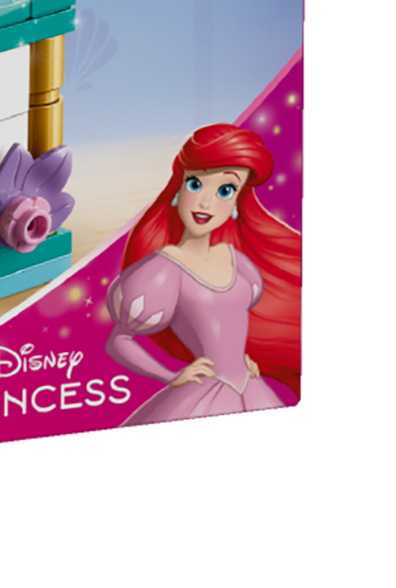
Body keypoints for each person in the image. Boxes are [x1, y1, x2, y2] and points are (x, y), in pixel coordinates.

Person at [105, 122, 301, 423]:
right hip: (202, 394)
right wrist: (170, 376)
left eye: (225, 190)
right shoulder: (163, 271)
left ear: (237, 202)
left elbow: (231, 325)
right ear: (178, 188)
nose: (206, 203)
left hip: (251, 388)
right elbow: (118, 341)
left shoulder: (239, 263)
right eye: (195, 184)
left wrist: (243, 359)